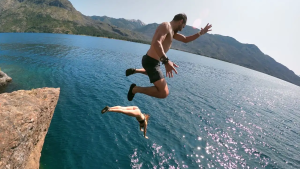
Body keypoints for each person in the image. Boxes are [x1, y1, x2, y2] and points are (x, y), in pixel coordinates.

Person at [126, 13, 212, 101]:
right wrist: (166, 61)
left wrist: (201, 33)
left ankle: (136, 70)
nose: (182, 29)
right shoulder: (166, 26)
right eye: (183, 26)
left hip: (152, 61)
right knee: (163, 93)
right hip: (151, 62)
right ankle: (135, 89)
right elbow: (157, 42)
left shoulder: (172, 31)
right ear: (181, 21)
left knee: (154, 74)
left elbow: (185, 39)